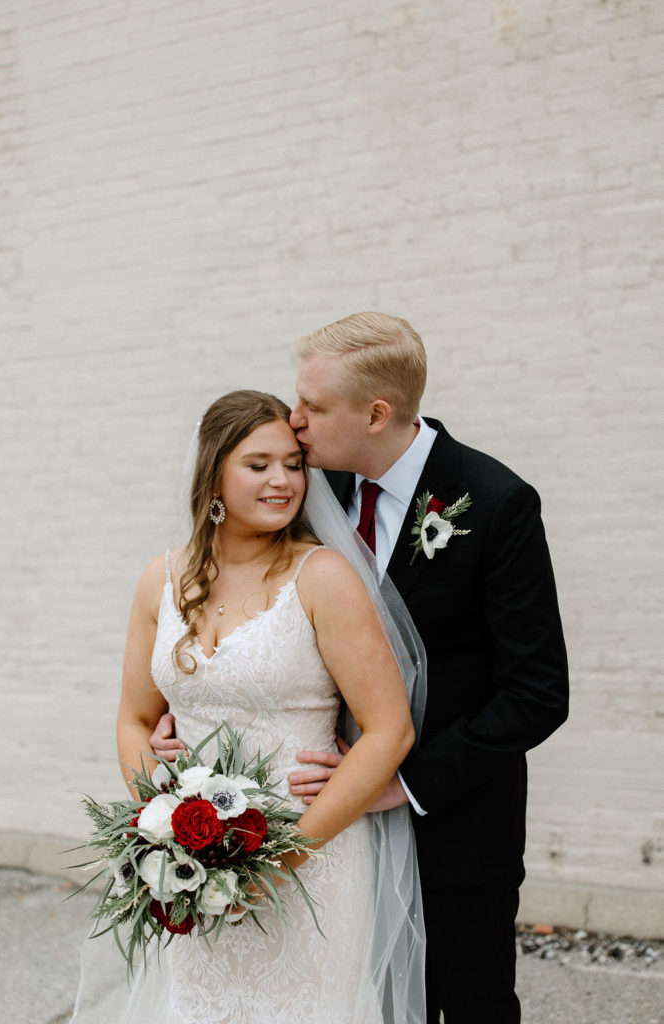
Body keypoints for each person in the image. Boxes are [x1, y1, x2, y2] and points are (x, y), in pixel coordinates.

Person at [151, 313, 570, 1024]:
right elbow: (256, 606)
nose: (294, 419)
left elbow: (536, 693)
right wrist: (197, 701)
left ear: (375, 414)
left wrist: (398, 782)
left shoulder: (496, 504)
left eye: (311, 406)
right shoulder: (310, 488)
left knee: (465, 999)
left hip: (449, 816)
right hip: (313, 818)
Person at [93, 389, 424, 1024]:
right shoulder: (161, 578)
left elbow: (390, 730)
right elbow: (135, 717)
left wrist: (278, 863)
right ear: (214, 471)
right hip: (195, 864)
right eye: (259, 464)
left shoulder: (323, 577)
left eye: (294, 464)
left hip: (312, 856)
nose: (283, 481)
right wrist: (161, 827)